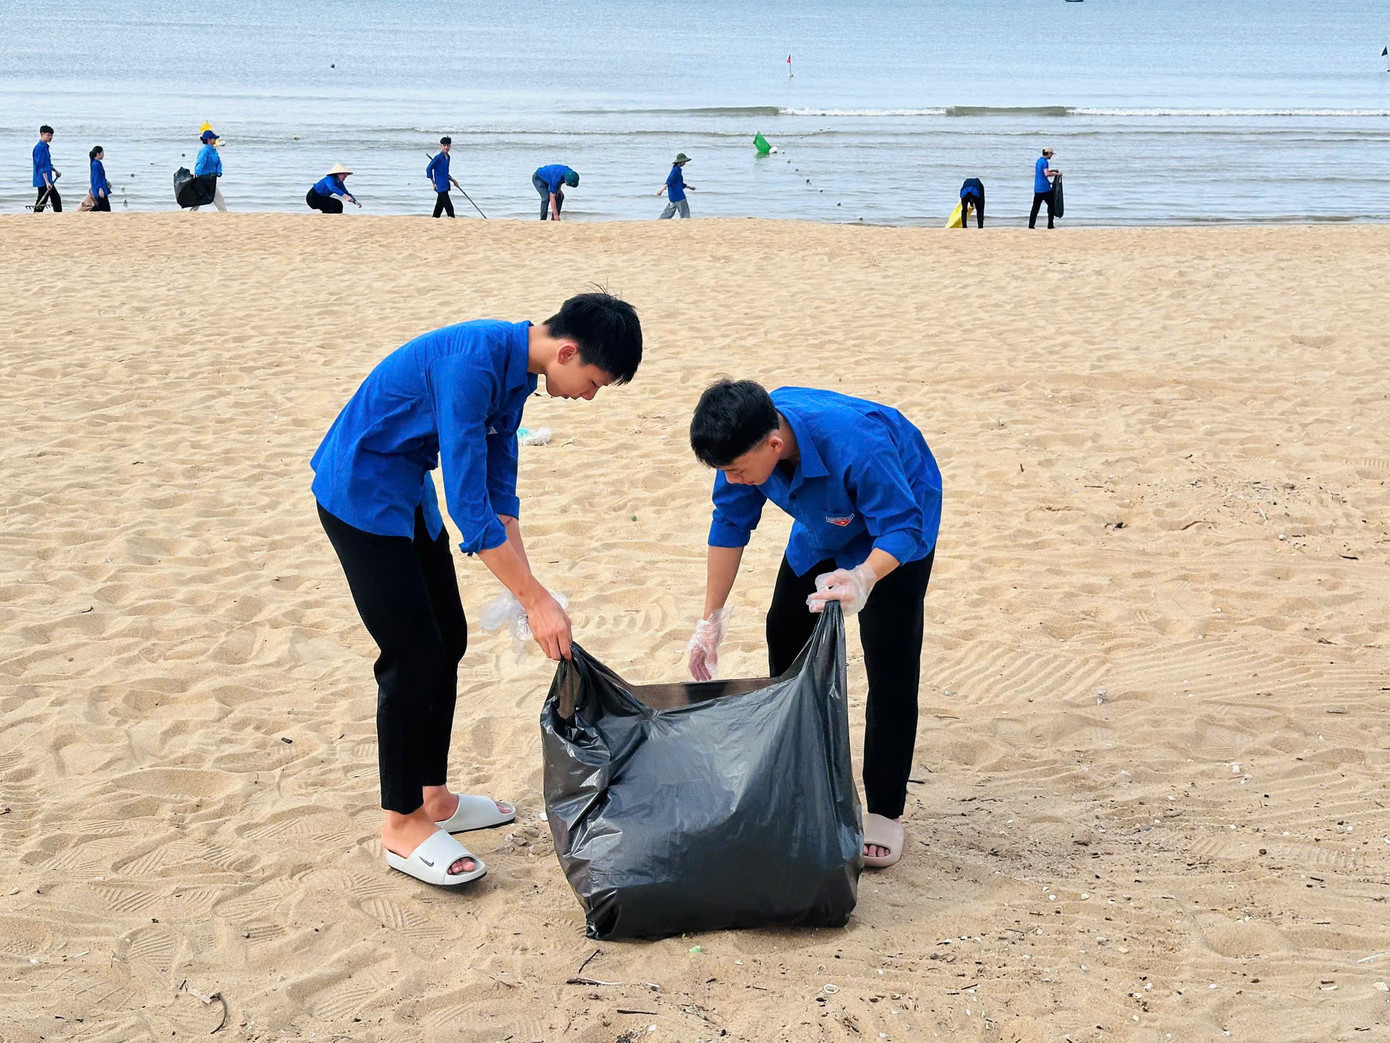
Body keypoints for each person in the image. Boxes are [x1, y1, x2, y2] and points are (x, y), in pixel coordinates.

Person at [311, 293, 643, 887]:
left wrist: (532, 588)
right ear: (567, 352)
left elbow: (497, 487)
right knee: (412, 658)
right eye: (592, 382)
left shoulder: (520, 370)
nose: (588, 397)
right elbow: (469, 507)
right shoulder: (473, 365)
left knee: (450, 640)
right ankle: (401, 824)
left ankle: (433, 797)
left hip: (409, 492)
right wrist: (533, 600)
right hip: (361, 493)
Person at [685, 379, 941, 870]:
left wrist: (864, 578)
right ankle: (806, 773)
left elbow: (904, 526)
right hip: (825, 517)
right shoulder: (747, 446)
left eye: (738, 471)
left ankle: (885, 811)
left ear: (774, 445)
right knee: (784, 628)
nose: (733, 480)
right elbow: (729, 525)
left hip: (898, 523)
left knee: (890, 659)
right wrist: (710, 619)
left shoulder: (858, 445)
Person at [190, 128, 227, 212]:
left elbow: (218, 162)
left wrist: (219, 171)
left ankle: (224, 213)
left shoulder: (213, 150)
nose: (215, 139)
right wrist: (197, 173)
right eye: (214, 138)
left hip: (212, 178)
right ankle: (224, 213)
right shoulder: (204, 151)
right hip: (204, 178)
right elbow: (200, 162)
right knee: (214, 197)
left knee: (210, 197)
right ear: (209, 139)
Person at [426, 137, 461, 218]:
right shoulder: (438, 158)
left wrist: (453, 180)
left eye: (448, 145)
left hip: (445, 183)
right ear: (440, 146)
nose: (446, 147)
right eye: (444, 145)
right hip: (440, 185)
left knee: (439, 206)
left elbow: (445, 172)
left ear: (450, 146)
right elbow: (428, 169)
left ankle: (434, 218)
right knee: (449, 206)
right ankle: (453, 221)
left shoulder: (448, 157)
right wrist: (433, 183)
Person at [1029, 147, 1060, 229]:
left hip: (1037, 188)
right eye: (1051, 154)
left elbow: (1042, 172)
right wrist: (1057, 174)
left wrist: (1053, 171)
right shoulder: (1045, 162)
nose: (1052, 156)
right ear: (1048, 153)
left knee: (1035, 208)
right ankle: (1050, 225)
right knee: (1051, 206)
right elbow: (1046, 174)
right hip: (1045, 189)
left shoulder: (1039, 161)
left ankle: (1031, 225)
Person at [657, 153, 694, 219]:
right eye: (684, 161)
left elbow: (679, 184)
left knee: (667, 214)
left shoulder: (676, 170)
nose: (685, 163)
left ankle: (659, 221)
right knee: (685, 216)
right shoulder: (676, 170)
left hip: (672, 197)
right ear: (681, 162)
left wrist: (690, 187)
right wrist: (661, 190)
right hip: (679, 196)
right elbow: (669, 181)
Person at [32, 125, 60, 213]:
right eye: (48, 135)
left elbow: (47, 164)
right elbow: (41, 166)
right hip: (42, 179)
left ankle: (57, 215)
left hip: (47, 178)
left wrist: (55, 170)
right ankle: (36, 214)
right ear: (42, 134)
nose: (50, 137)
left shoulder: (45, 147)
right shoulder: (40, 148)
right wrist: (47, 181)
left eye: (51, 135)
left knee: (51, 198)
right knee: (47, 198)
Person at [88, 146, 111, 211]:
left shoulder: (97, 163)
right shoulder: (95, 164)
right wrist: (100, 189)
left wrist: (106, 182)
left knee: (100, 206)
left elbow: (100, 176)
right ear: (97, 154)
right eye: (102, 153)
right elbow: (96, 177)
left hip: (101, 187)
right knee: (105, 207)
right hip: (100, 189)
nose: (103, 155)